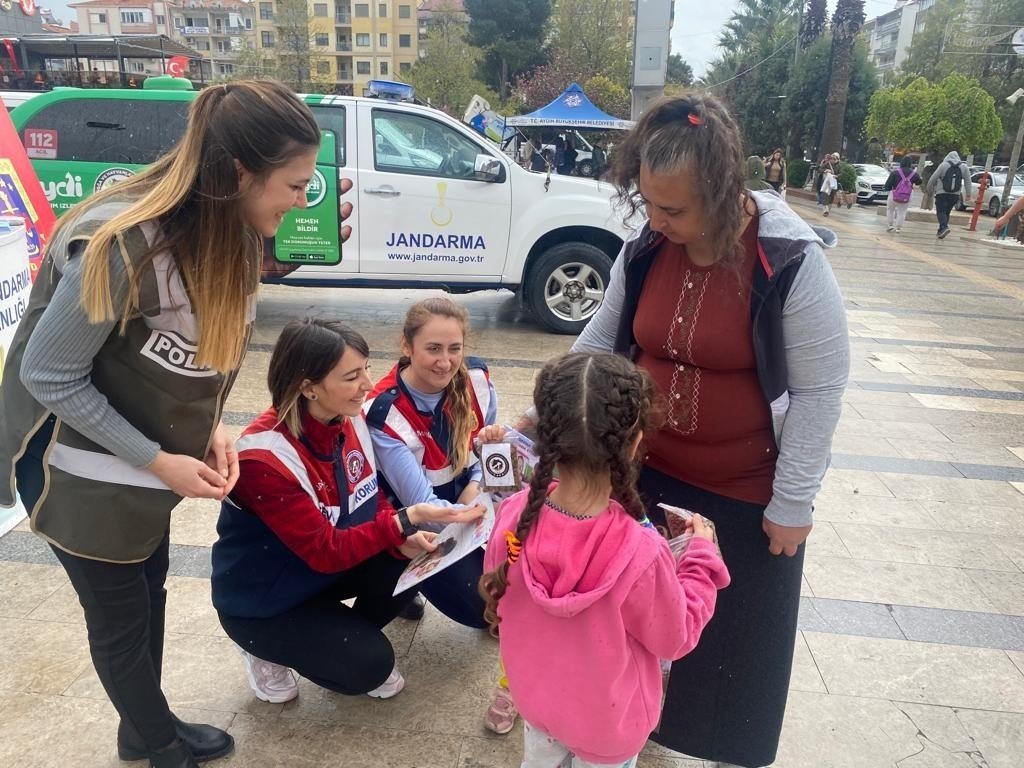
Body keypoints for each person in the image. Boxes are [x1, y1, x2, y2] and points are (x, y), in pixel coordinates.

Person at [0, 81, 324, 768]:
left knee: (147, 592)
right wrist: (157, 459)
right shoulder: (122, 246)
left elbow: (197, 356)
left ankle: (140, 727)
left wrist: (211, 428)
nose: (304, 199)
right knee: (120, 619)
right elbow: (49, 375)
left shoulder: (222, 235)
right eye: (295, 184)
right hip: (71, 469)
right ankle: (157, 745)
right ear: (240, 172)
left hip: (133, 464)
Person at [562, 93, 849, 768]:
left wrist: (792, 504)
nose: (657, 222)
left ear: (723, 192)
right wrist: (547, 412)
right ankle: (629, 728)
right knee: (632, 625)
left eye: (675, 210)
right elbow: (602, 338)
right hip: (645, 477)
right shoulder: (645, 249)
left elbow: (820, 390)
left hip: (744, 491)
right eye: (649, 205)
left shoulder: (789, 262)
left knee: (732, 657)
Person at [211, 319, 483, 706]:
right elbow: (325, 550)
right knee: (370, 666)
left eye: (367, 369)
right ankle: (266, 648)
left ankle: (332, 638)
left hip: (321, 575)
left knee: (413, 556)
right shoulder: (264, 458)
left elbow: (370, 499)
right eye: (352, 376)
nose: (369, 385)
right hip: (265, 599)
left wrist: (402, 534)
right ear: (308, 387)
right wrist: (404, 521)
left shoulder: (347, 416)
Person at [482, 352, 730, 768]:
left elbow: (501, 578)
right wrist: (700, 558)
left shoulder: (515, 516)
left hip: (537, 702)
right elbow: (676, 636)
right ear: (634, 443)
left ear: (547, 436)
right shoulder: (642, 552)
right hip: (608, 725)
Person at [364, 297, 512, 729]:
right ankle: (411, 581)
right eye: (433, 348)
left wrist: (481, 481)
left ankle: (422, 583)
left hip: (466, 502)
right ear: (406, 346)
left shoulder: (479, 382)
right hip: (420, 516)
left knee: (506, 581)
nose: (445, 362)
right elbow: (422, 506)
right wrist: (472, 508)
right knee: (477, 609)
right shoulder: (386, 412)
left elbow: (493, 461)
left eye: (454, 348)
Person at [926, 151, 973, 239]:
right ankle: (941, 231)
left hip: (942, 193)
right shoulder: (964, 167)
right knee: (947, 212)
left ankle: (944, 227)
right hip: (955, 195)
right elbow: (968, 181)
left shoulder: (943, 165)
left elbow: (933, 178)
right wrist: (968, 194)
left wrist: (929, 189)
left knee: (941, 211)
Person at [884, 156, 922, 233]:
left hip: (894, 194)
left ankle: (890, 226)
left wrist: (888, 189)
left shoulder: (895, 172)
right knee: (902, 211)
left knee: (890, 210)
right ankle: (898, 228)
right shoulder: (914, 174)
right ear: (910, 163)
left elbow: (887, 185)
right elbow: (919, 182)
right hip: (907, 195)